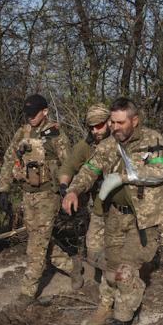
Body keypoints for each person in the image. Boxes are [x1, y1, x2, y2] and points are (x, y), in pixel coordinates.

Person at [62, 98, 163, 325]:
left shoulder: (152, 139)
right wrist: (73, 191)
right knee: (110, 270)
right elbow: (89, 169)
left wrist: (121, 177)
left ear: (135, 120)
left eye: (120, 122)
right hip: (115, 216)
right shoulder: (109, 145)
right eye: (112, 121)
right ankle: (114, 302)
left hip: (143, 219)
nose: (114, 126)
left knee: (125, 271)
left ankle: (121, 323)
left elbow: (158, 172)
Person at [0, 94, 75, 306]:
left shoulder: (55, 134)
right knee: (39, 238)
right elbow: (9, 159)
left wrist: (66, 189)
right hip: (27, 194)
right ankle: (74, 269)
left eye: (35, 113)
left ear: (45, 111)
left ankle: (27, 292)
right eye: (28, 114)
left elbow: (68, 163)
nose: (31, 117)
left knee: (36, 245)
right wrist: (3, 189)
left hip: (48, 195)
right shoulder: (22, 133)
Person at [57, 103, 111, 285]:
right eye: (92, 127)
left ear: (109, 122)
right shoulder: (85, 146)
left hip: (123, 203)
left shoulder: (120, 142)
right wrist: (65, 187)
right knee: (94, 246)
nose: (96, 131)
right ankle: (106, 278)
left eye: (100, 126)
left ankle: (114, 282)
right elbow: (69, 166)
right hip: (99, 202)